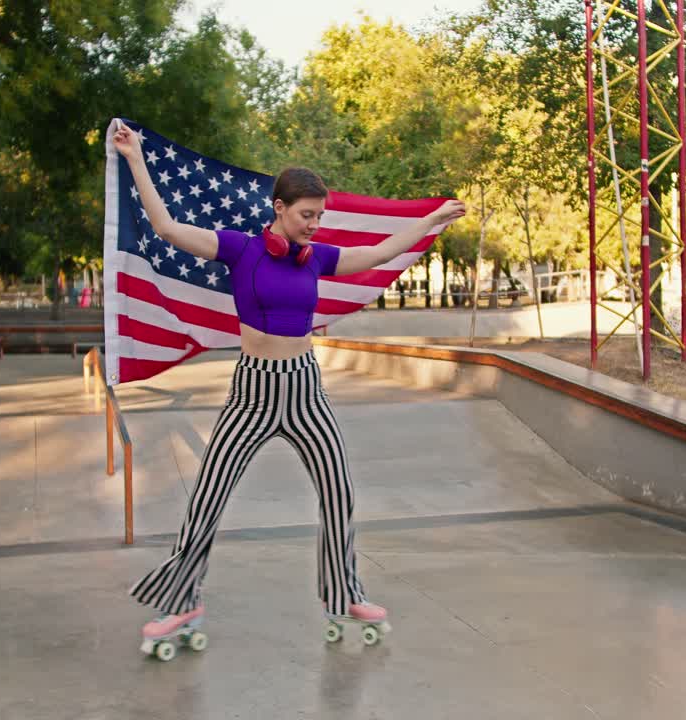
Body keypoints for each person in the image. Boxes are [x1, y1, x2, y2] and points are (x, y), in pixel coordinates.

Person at [110, 120, 466, 655]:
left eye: (320, 216)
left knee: (339, 492)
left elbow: (376, 253)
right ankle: (183, 599)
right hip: (252, 391)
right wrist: (135, 157)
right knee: (207, 498)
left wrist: (431, 220)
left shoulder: (317, 257)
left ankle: (343, 594)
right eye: (306, 215)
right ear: (278, 207)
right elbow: (165, 227)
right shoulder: (238, 250)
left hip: (305, 388)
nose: (315, 225)